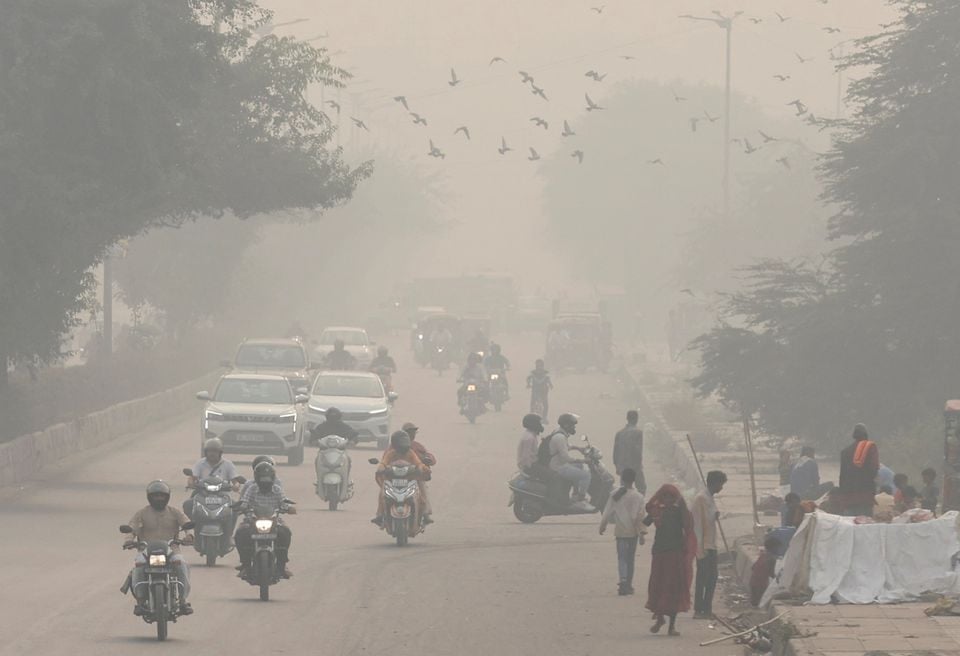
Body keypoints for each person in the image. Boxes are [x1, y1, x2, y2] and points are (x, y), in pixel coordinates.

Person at [125, 480, 194, 614]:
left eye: (162, 495)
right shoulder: (141, 513)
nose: (159, 498)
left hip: (171, 549)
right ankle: (139, 601)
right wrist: (128, 540)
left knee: (182, 565)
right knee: (138, 565)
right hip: (145, 550)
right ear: (150, 497)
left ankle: (183, 601)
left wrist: (189, 536)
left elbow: (187, 523)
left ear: (167, 497)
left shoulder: (175, 512)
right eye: (155, 496)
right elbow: (131, 529)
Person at [643, 484, 697, 637]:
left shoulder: (679, 512)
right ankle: (660, 618)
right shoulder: (657, 511)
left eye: (670, 497)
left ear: (674, 499)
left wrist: (682, 504)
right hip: (660, 554)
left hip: (675, 555)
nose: (667, 499)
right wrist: (655, 507)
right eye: (664, 496)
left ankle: (671, 626)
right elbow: (645, 520)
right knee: (658, 586)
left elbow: (688, 526)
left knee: (673, 589)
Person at [235, 462, 295, 578]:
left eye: (267, 479)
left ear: (272, 478)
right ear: (257, 478)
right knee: (240, 533)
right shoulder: (252, 489)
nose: (265, 482)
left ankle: (282, 565)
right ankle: (245, 565)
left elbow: (283, 502)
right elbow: (245, 501)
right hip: (252, 520)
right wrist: (241, 507)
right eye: (262, 479)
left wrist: (289, 508)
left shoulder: (277, 490)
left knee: (285, 532)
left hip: (274, 520)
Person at [599, 468, 647, 596]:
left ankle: (623, 581)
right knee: (630, 559)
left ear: (622, 479)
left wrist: (602, 526)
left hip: (620, 532)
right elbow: (641, 517)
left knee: (622, 558)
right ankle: (628, 585)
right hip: (633, 533)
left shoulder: (616, 494)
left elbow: (607, 512)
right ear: (634, 480)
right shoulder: (639, 496)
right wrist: (642, 534)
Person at [372, 431, 430, 526]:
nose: (403, 444)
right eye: (401, 441)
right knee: (383, 494)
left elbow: (418, 463)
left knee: (421, 496)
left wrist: (421, 468)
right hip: (392, 480)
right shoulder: (391, 453)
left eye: (405, 441)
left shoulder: (411, 452)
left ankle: (423, 514)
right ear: (395, 443)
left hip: (409, 479)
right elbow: (383, 463)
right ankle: (380, 514)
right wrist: (381, 468)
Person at [538, 413, 593, 511]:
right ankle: (580, 500)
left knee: (579, 466)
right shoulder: (560, 437)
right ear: (566, 425)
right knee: (586, 475)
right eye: (572, 425)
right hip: (558, 467)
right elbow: (565, 458)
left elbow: (565, 447)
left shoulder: (559, 432)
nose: (574, 427)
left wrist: (578, 448)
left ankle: (575, 495)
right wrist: (584, 460)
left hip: (557, 463)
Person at [692, 470, 727, 619]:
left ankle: (707, 608)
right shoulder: (701, 498)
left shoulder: (709, 498)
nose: (721, 488)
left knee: (712, 578)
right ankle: (699, 610)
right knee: (703, 579)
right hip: (704, 546)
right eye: (721, 484)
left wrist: (715, 515)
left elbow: (710, 517)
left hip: (711, 544)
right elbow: (698, 525)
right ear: (714, 483)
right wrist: (699, 548)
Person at [183, 438, 243, 518]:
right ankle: (195, 524)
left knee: (235, 508)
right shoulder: (200, 463)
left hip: (222, 495)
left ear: (220, 452)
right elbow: (193, 477)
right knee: (188, 505)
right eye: (209, 451)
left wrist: (236, 486)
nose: (212, 453)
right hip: (202, 494)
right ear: (206, 452)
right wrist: (191, 483)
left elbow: (235, 481)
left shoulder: (228, 464)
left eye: (215, 451)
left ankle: (229, 529)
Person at [837, 423, 879, 517]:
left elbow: (842, 476)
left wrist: (842, 495)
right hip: (865, 495)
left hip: (848, 497)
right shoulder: (870, 447)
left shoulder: (845, 452)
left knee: (850, 525)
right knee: (864, 527)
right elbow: (874, 469)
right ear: (866, 435)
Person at [402, 422, 436, 523]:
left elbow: (430, 457)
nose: (411, 435)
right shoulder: (394, 446)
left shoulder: (418, 446)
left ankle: (425, 514)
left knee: (422, 487)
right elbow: (386, 458)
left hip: (415, 477)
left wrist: (428, 459)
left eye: (413, 432)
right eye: (409, 432)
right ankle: (381, 514)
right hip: (398, 477)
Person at [613, 410, 646, 495]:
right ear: (636, 419)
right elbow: (638, 451)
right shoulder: (638, 432)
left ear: (627, 418)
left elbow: (615, 451)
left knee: (624, 489)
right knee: (641, 488)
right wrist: (639, 466)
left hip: (623, 466)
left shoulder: (619, 433)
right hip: (634, 466)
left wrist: (617, 466)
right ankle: (638, 506)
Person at [749, 536, 781, 607]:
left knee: (754, 602)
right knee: (761, 602)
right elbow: (771, 573)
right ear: (774, 548)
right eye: (778, 548)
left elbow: (753, 567)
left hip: (753, 581)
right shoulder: (772, 559)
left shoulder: (762, 555)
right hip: (761, 584)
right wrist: (778, 578)